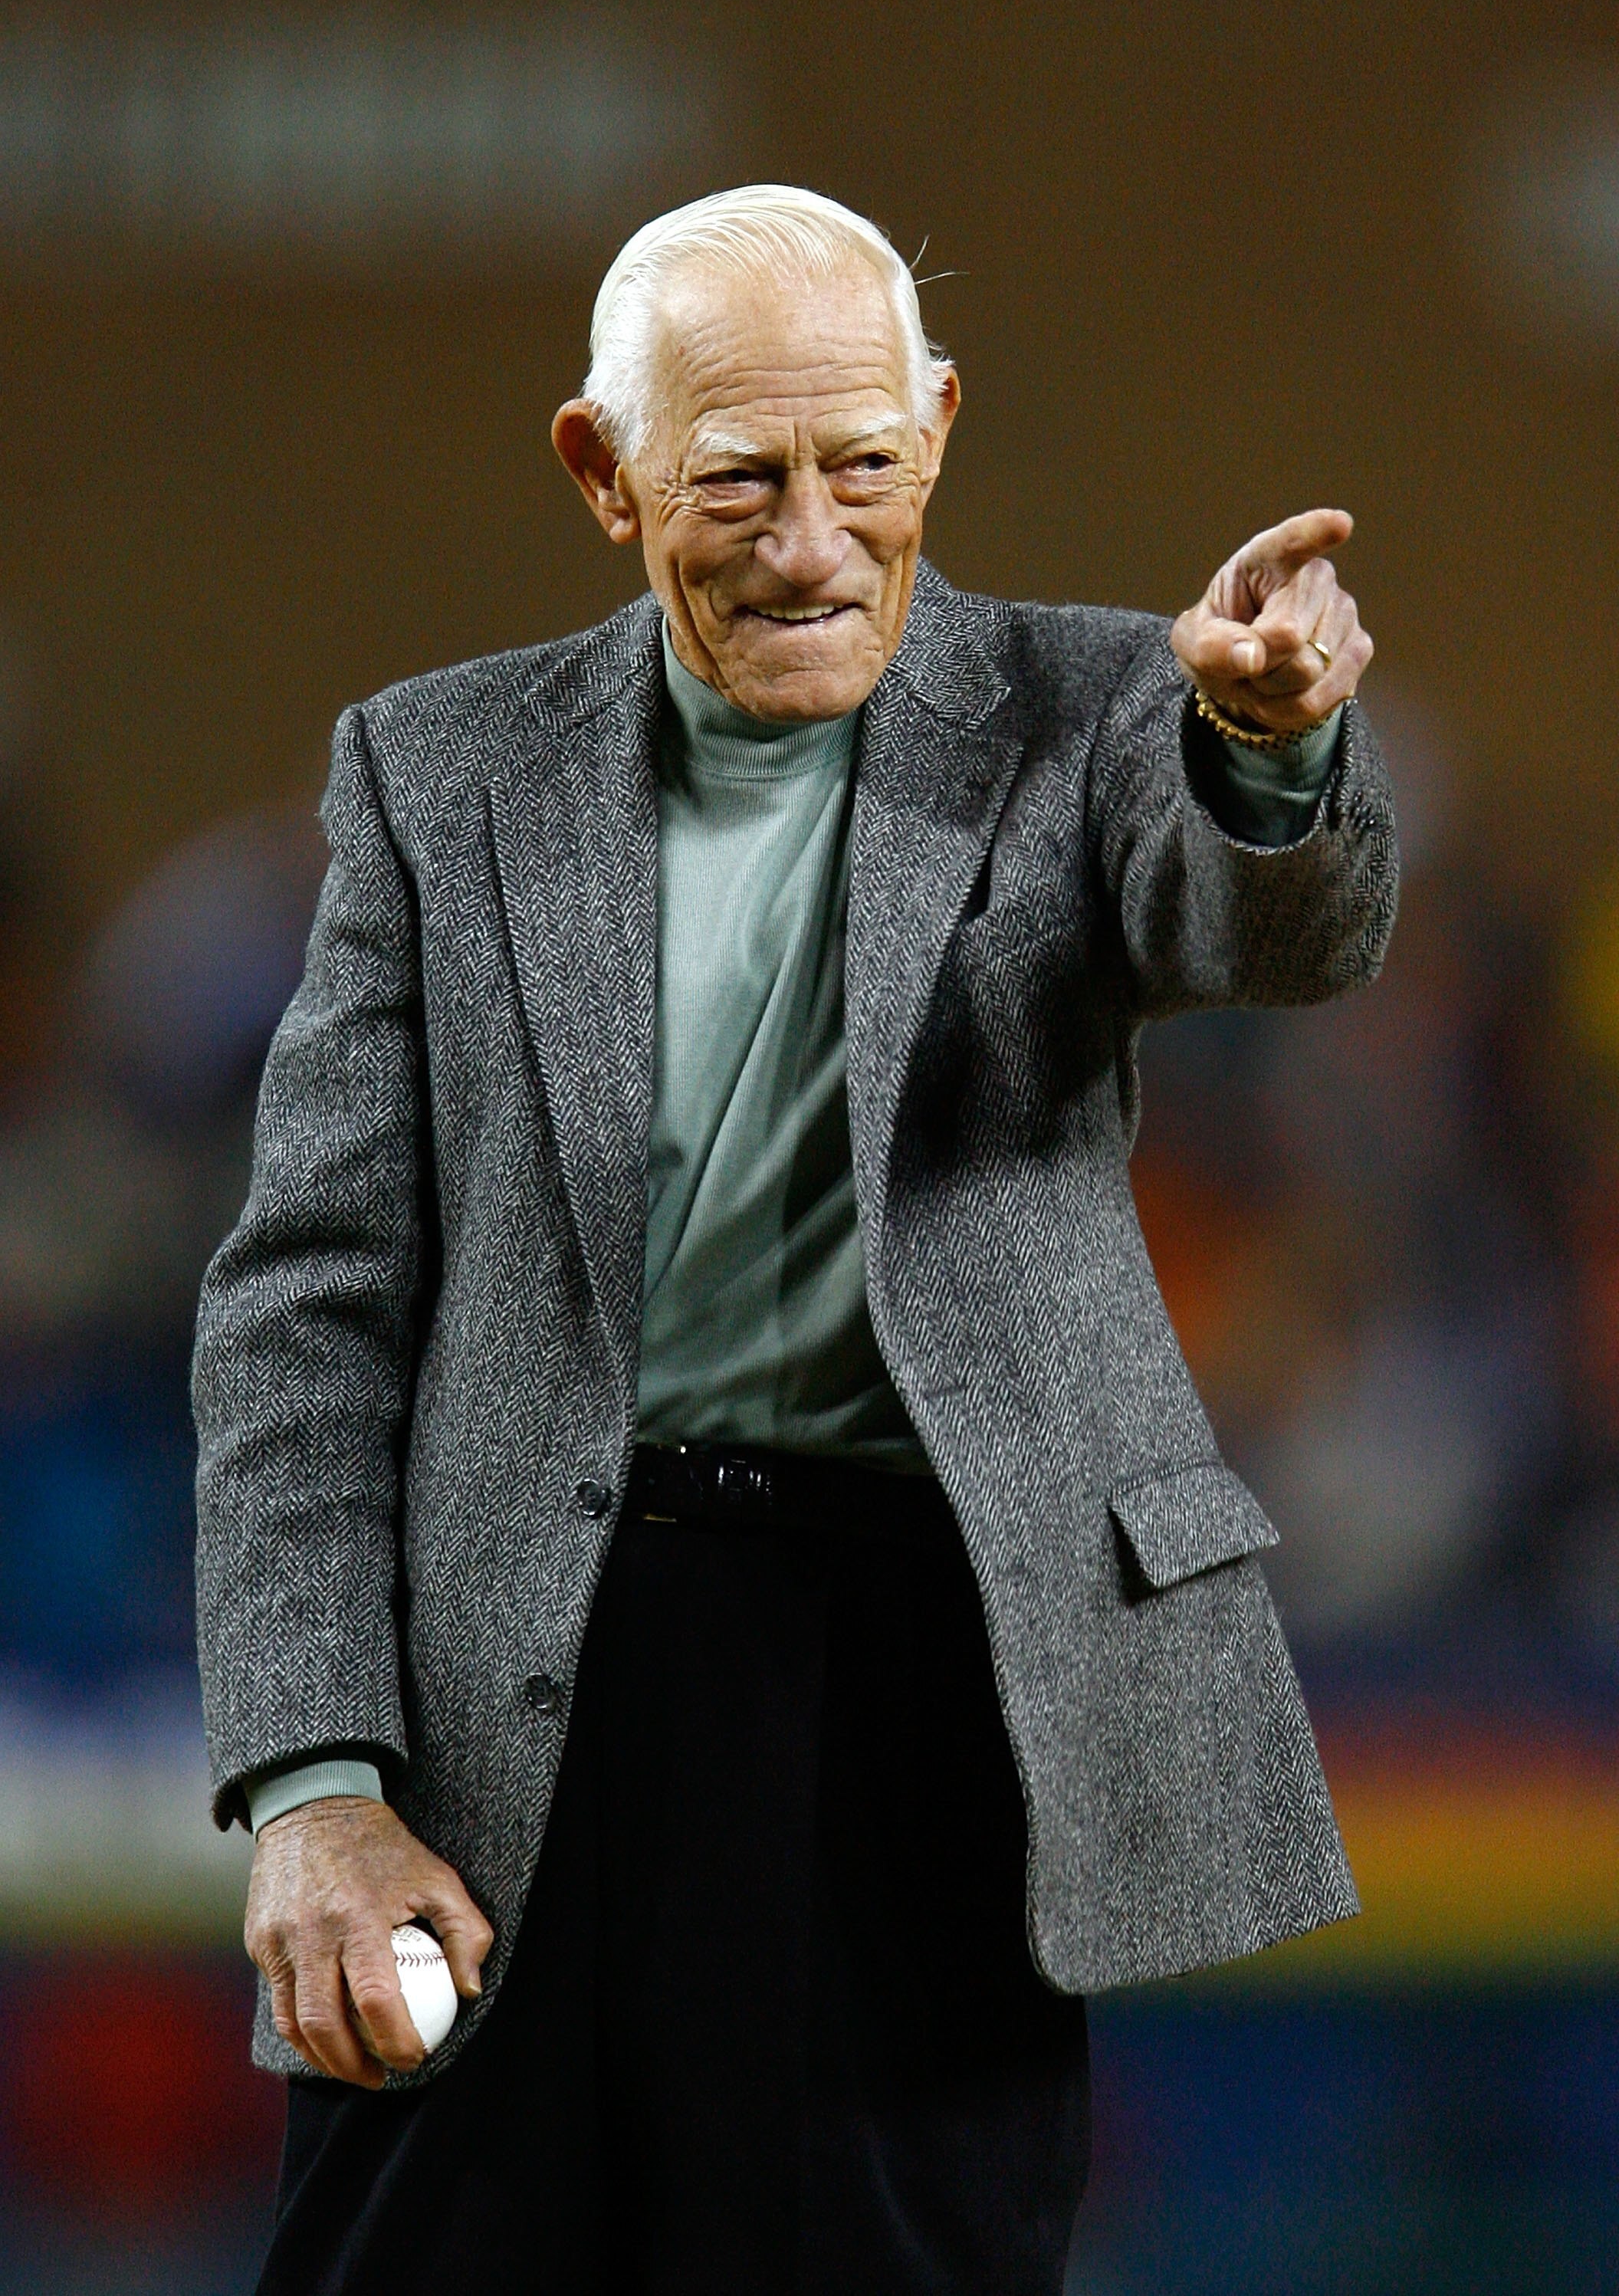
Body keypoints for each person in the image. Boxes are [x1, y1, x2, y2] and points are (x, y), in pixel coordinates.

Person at [192, 185, 1394, 2295]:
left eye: (865, 469)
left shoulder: (1108, 712)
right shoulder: (433, 769)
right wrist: (310, 1780)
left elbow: (1268, 930)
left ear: (938, 427)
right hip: (512, 1699)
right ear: (602, 469)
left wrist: (1274, 749)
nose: (815, 541)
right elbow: (306, 1311)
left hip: (935, 1685)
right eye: (738, 478)